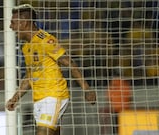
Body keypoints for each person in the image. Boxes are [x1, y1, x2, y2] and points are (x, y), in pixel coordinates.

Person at [6, 4, 96, 135]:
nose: (11, 27)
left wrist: (86, 88)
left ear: (24, 22)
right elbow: (30, 76)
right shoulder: (26, 47)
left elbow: (69, 62)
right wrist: (15, 98)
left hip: (54, 95)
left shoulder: (45, 40)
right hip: (39, 99)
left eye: (13, 23)